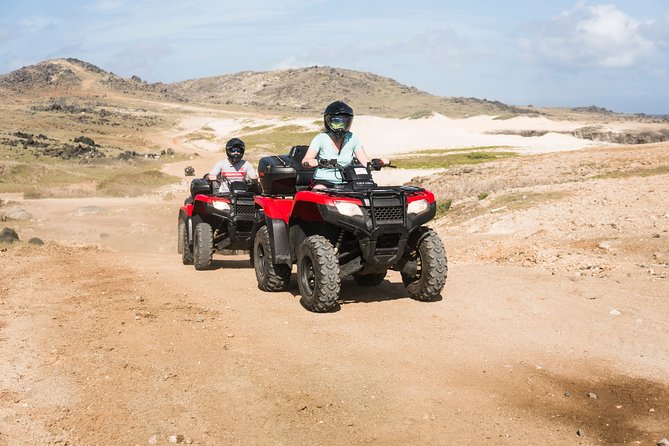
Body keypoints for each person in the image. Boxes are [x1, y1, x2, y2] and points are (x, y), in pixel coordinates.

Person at [301, 100, 390, 189]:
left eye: (344, 122)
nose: (340, 126)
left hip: (346, 182)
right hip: (323, 182)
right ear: (328, 121)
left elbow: (366, 164)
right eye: (336, 121)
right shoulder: (320, 139)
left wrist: (379, 163)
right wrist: (310, 161)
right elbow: (305, 161)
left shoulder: (352, 138)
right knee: (320, 191)